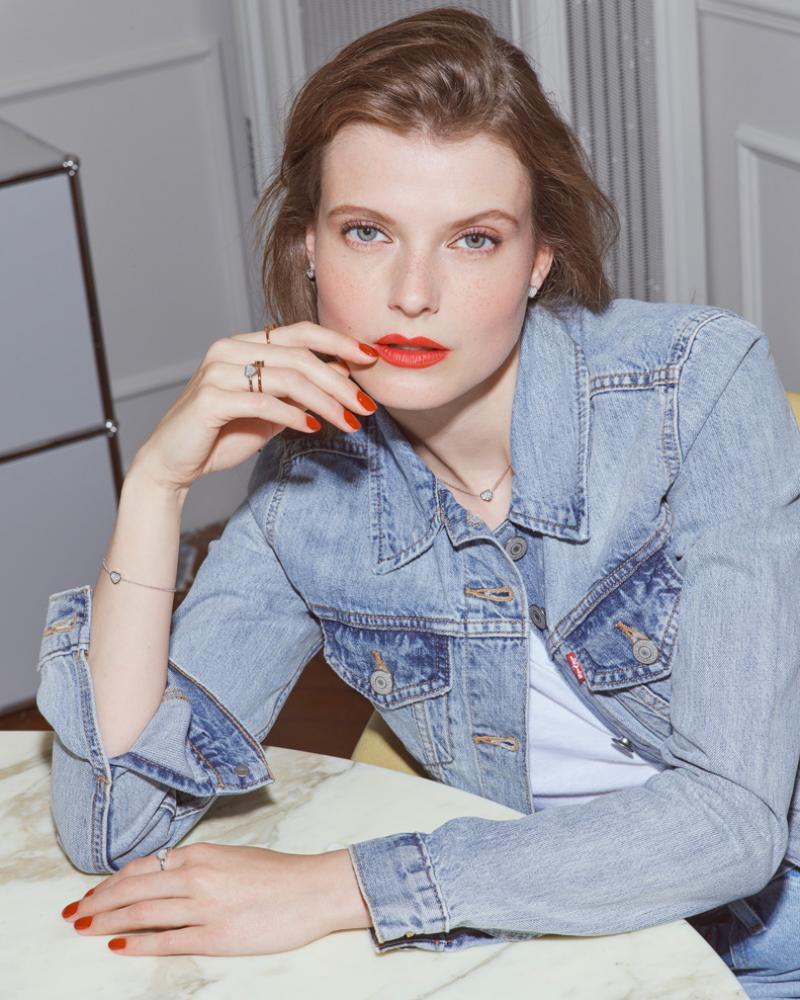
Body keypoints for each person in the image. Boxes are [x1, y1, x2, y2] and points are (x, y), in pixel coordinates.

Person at [36, 6, 800, 994]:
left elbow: (733, 825)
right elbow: (111, 825)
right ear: (308, 247)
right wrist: (156, 486)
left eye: (472, 240)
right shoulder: (308, 493)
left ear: (538, 259)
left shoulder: (694, 387)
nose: (411, 292)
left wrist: (340, 886)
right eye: (367, 232)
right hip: (556, 940)